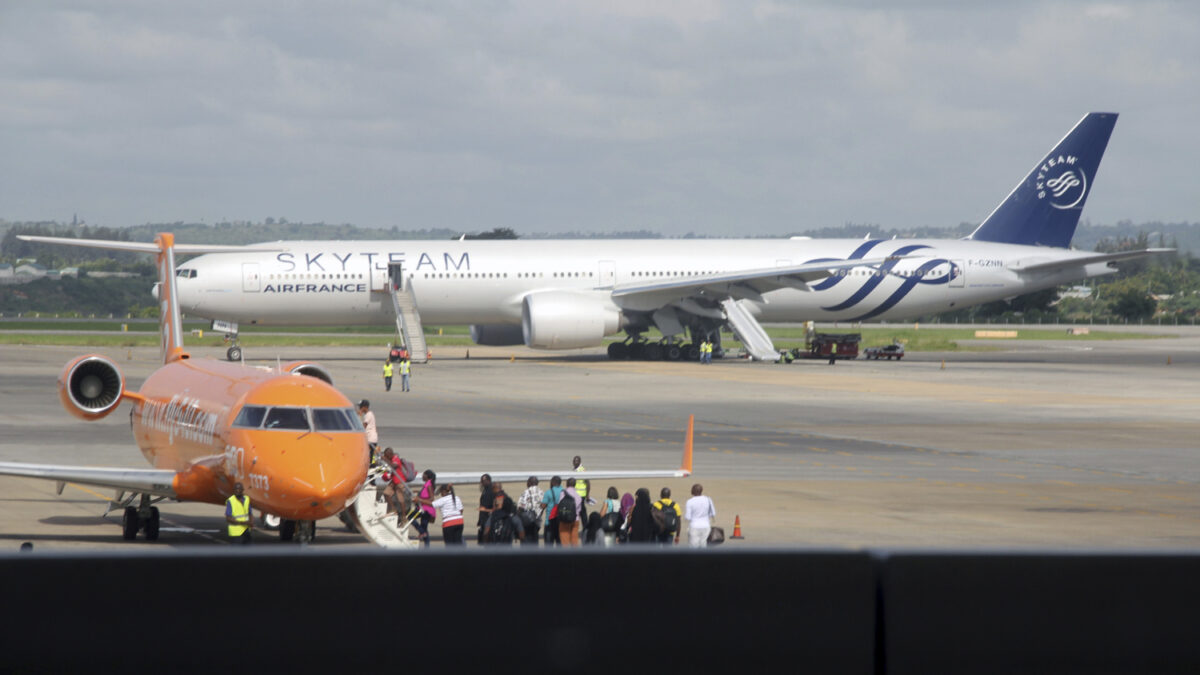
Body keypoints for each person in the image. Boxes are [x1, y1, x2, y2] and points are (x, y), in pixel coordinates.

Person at [684, 483, 717, 548]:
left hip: (694, 526)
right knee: (703, 546)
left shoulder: (690, 501)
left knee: (693, 547)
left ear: (693, 491)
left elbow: (688, 517)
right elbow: (712, 513)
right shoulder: (708, 499)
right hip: (706, 526)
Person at [412, 469, 437, 547]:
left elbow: (432, 498)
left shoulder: (428, 485)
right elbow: (425, 494)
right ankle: (427, 547)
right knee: (425, 529)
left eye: (423, 475)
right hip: (424, 509)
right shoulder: (427, 484)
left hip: (425, 509)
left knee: (409, 517)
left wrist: (420, 499)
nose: (422, 476)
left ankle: (422, 532)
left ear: (427, 476)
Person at [516, 476, 543, 546]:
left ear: (530, 483)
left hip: (527, 521)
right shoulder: (541, 492)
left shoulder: (526, 492)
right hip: (537, 521)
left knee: (526, 541)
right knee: (535, 540)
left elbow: (520, 506)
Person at [558, 476, 582, 546]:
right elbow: (579, 509)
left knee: (565, 539)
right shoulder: (578, 495)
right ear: (575, 485)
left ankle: (566, 555)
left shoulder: (562, 493)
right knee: (574, 539)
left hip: (564, 518)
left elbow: (560, 504)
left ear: (566, 484)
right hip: (575, 519)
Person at [540, 476, 564, 546]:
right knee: (560, 544)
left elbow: (543, 506)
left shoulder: (548, 492)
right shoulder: (564, 492)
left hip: (550, 521)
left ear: (553, 482)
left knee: (548, 545)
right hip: (561, 521)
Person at [476, 473, 494, 546]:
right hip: (484, 518)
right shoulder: (485, 490)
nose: (481, 483)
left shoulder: (490, 490)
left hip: (488, 518)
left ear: (488, 481)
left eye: (483, 481)